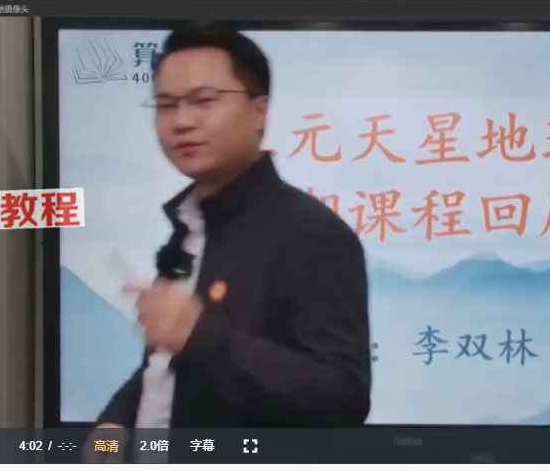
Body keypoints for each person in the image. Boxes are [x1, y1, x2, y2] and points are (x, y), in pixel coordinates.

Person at [92, 22, 371, 436]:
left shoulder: (313, 234)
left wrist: (197, 336)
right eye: (166, 105)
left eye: (203, 100)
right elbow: (164, 369)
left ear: (260, 112)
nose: (182, 121)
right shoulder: (188, 225)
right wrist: (114, 423)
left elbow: (343, 397)